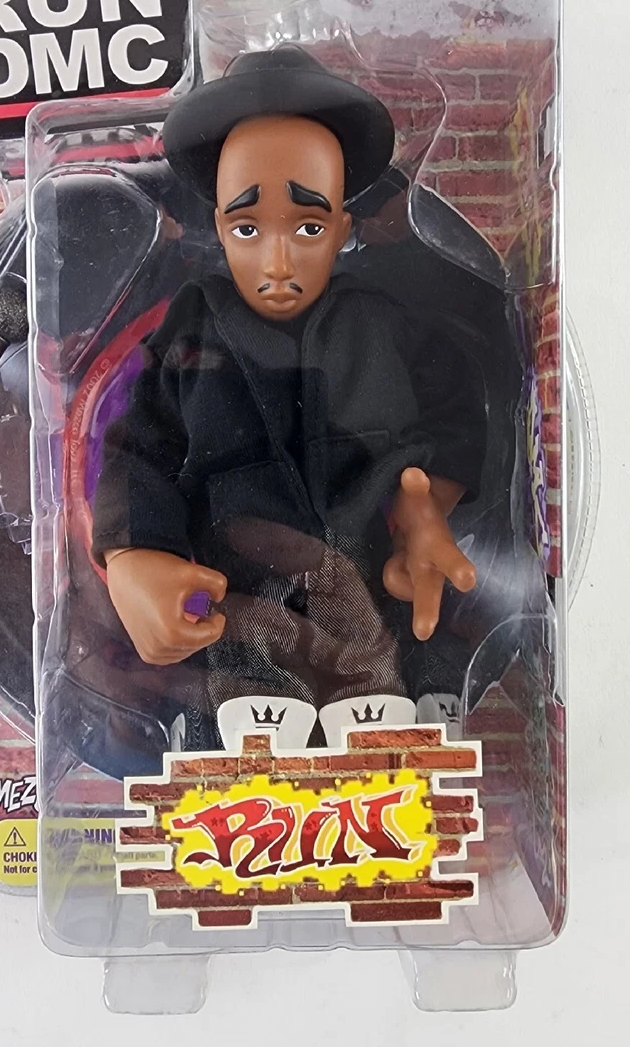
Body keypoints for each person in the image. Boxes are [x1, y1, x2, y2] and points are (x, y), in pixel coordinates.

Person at [92, 45, 486, 750]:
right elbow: (139, 447)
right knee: (242, 700)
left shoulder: (379, 325)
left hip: (370, 582)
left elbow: (457, 403)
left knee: (403, 677)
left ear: (342, 230)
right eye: (249, 229)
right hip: (239, 594)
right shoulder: (195, 328)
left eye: (308, 228)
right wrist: (133, 559)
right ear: (220, 228)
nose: (278, 264)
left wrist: (426, 509)